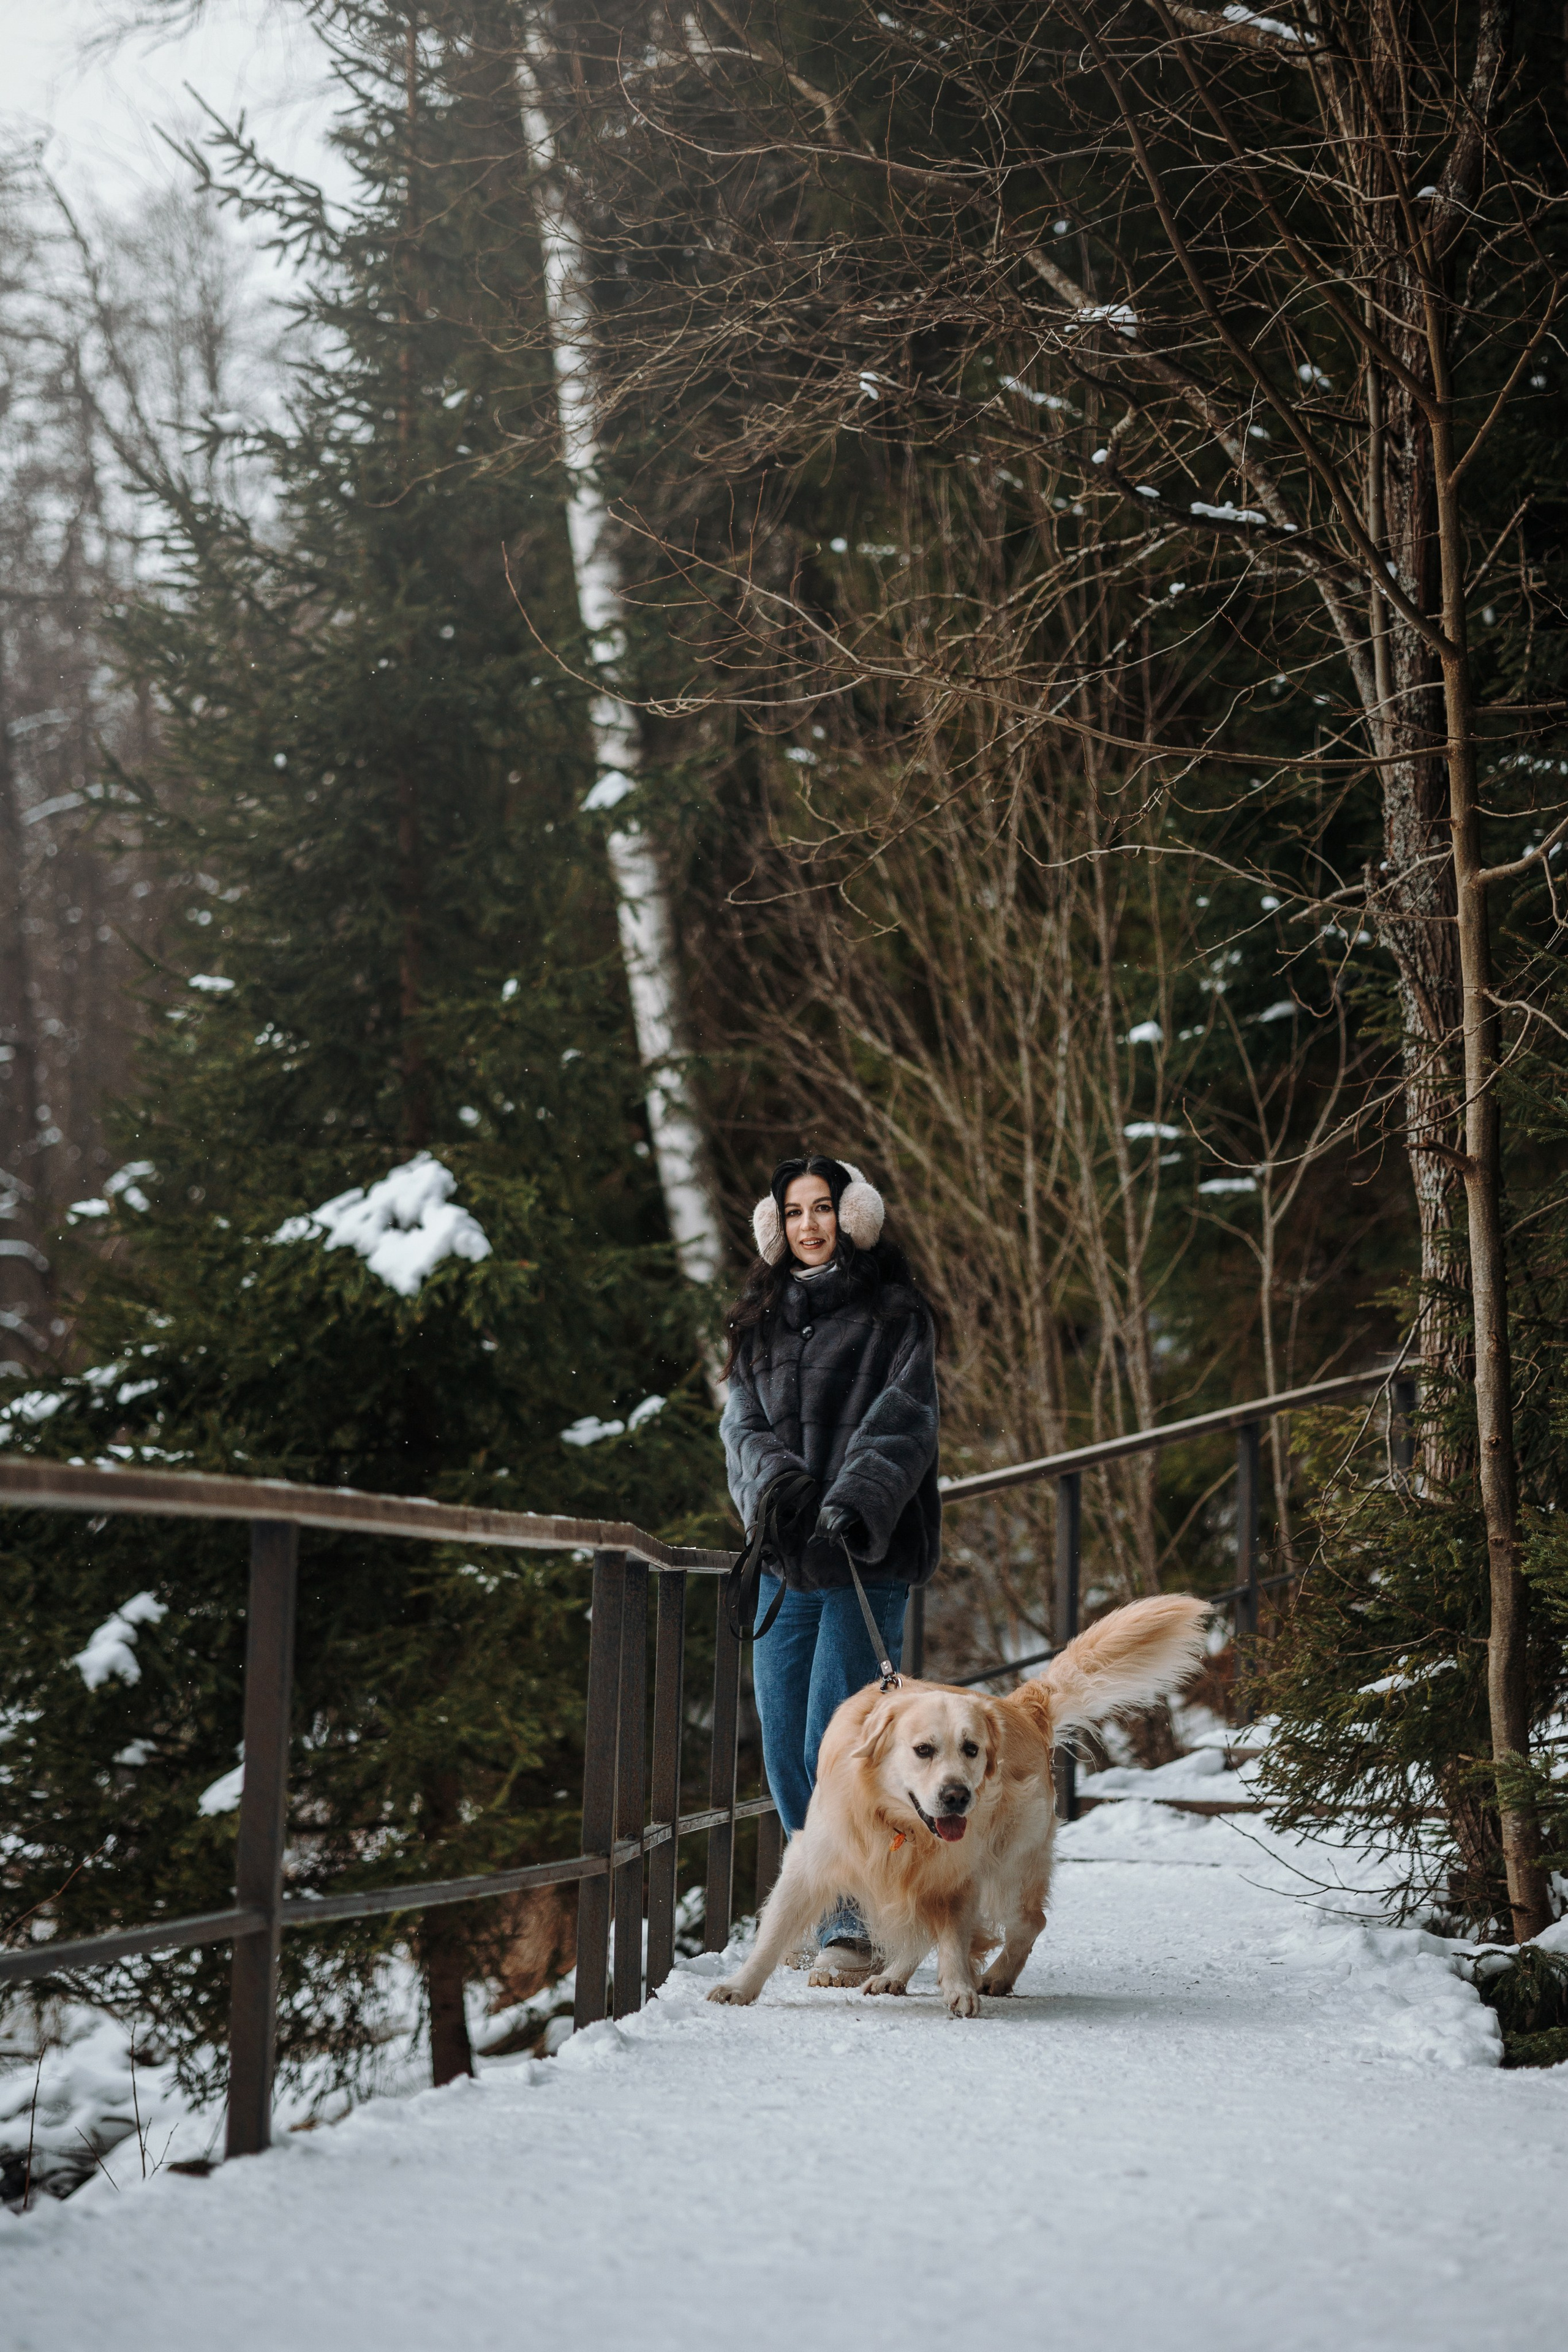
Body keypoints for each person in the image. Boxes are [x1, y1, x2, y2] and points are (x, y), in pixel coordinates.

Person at [720, 1152, 940, 1956]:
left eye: (823, 1208)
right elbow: (739, 1425)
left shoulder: (896, 1313)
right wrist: (780, 1488)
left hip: (864, 1555)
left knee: (839, 1736)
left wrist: (853, 1498)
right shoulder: (758, 1319)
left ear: (855, 1216)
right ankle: (836, 1889)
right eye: (794, 1212)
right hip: (786, 1560)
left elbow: (907, 1416)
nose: (808, 1225)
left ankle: (849, 1914)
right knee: (784, 1742)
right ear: (775, 1226)